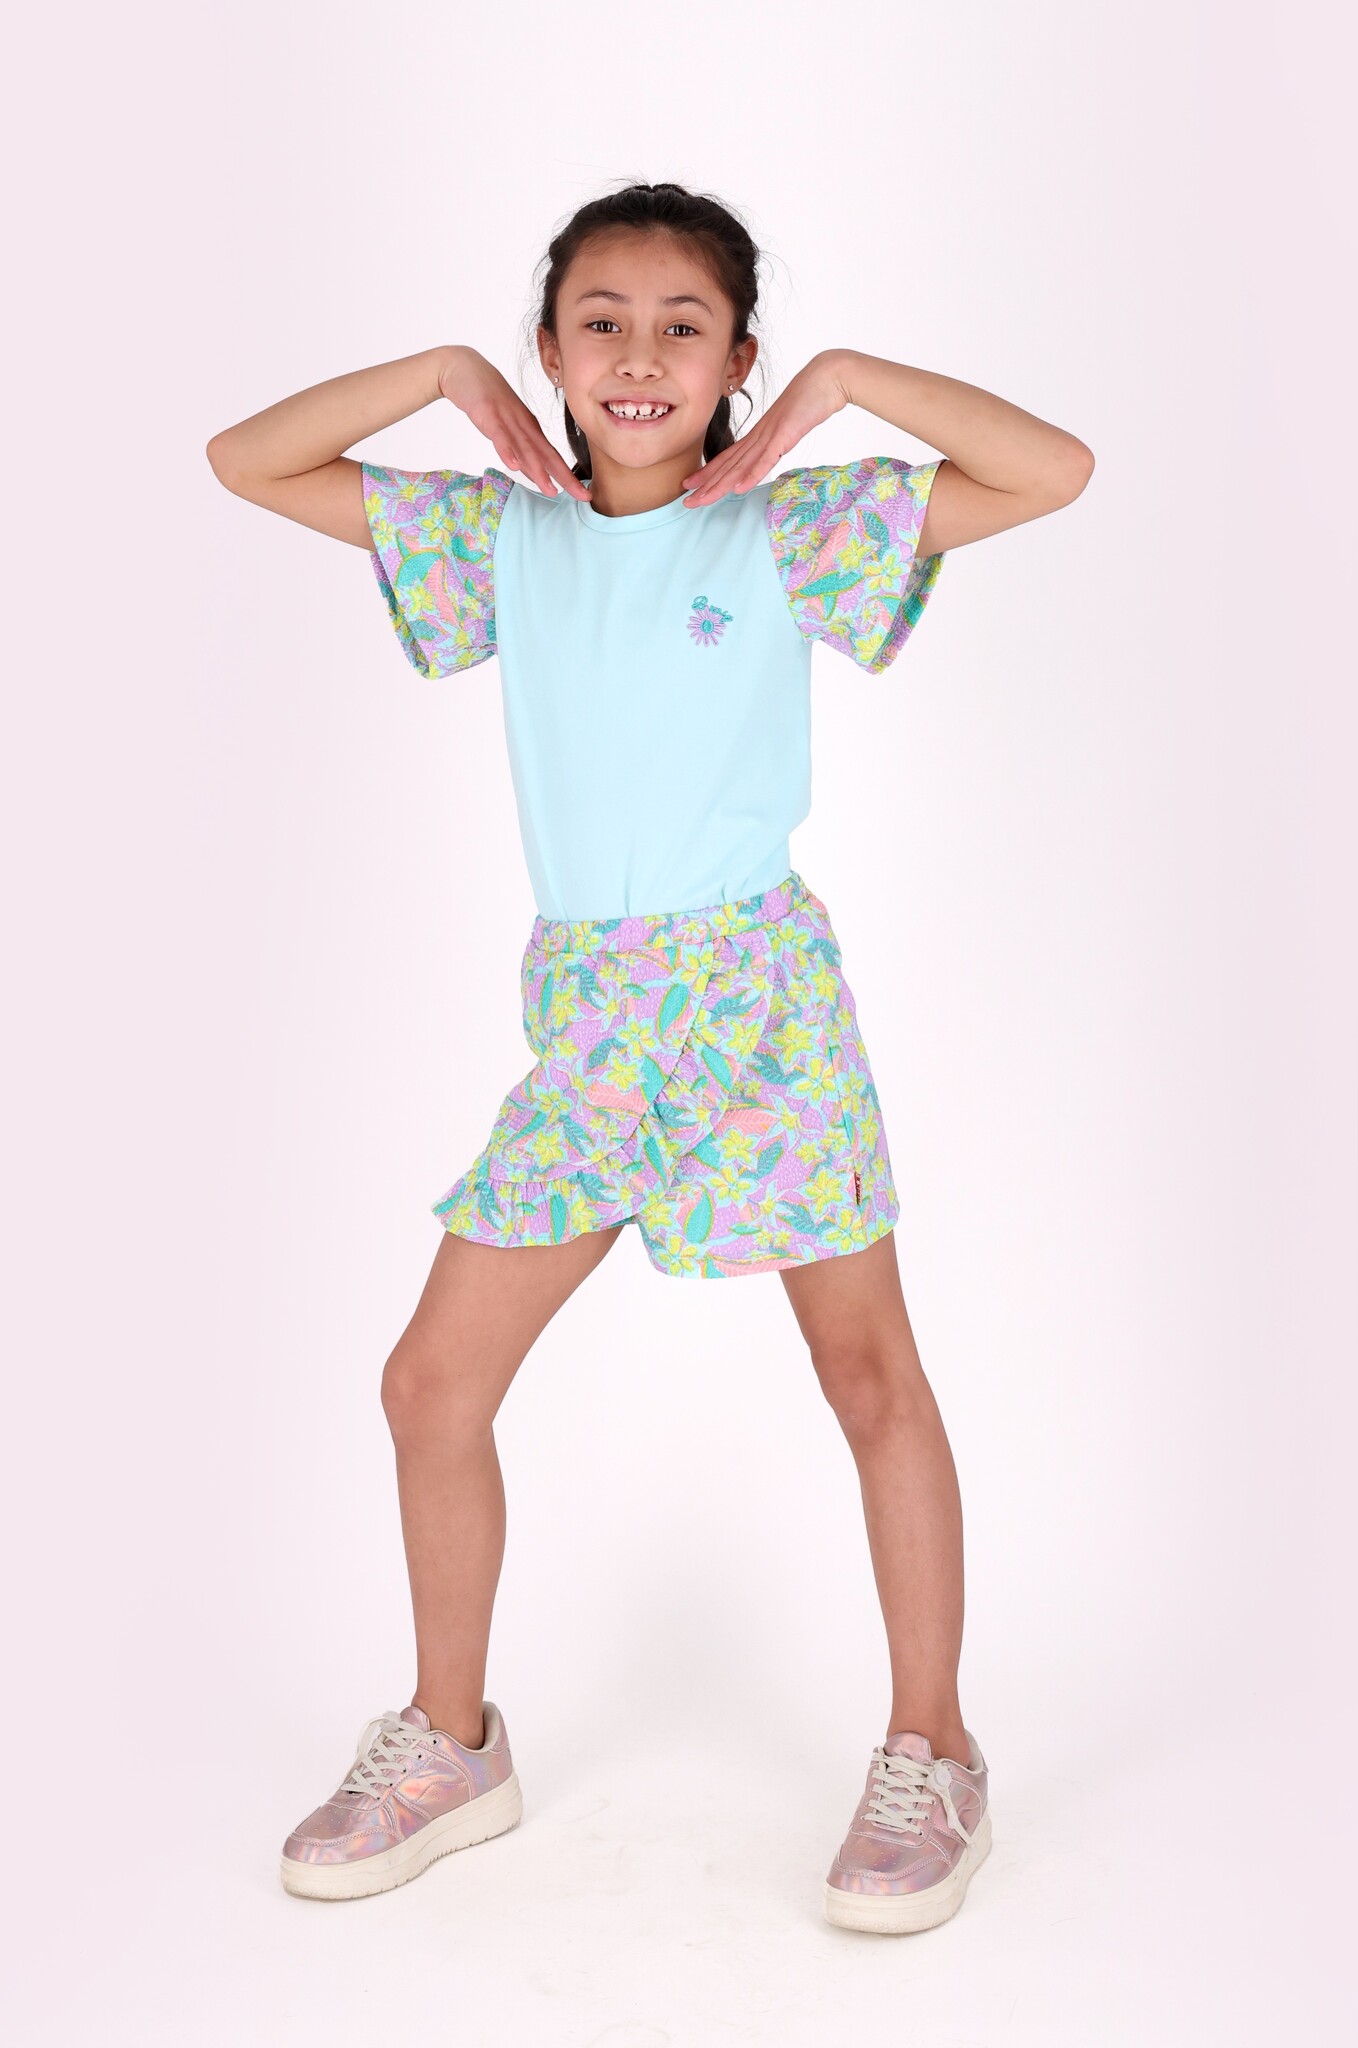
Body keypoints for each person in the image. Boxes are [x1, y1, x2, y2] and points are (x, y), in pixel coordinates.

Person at [207, 179, 1094, 1934]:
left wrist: (840, 384)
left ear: (734, 359)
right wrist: (442, 372)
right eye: (596, 321)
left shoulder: (787, 526)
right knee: (430, 1385)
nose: (637, 355)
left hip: (758, 1007)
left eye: (683, 326)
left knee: (869, 1379)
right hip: (592, 1032)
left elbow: (1049, 469)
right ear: (548, 351)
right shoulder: (498, 538)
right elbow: (246, 459)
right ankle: (450, 1743)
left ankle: (934, 1748)